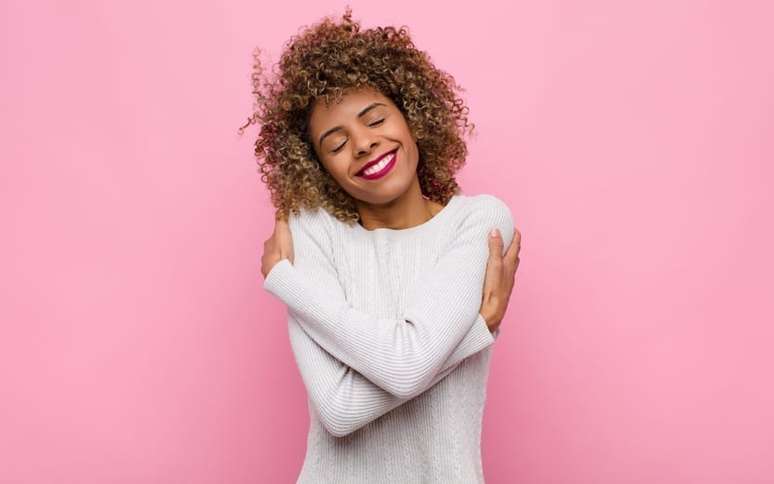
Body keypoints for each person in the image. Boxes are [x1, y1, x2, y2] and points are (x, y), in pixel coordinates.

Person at [245, 7, 522, 483]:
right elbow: (337, 410)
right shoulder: (313, 230)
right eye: (335, 144)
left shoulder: (479, 223)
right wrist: (478, 328)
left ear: (412, 115)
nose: (364, 144)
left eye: (375, 119)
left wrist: (285, 282)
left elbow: (406, 366)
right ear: (318, 168)